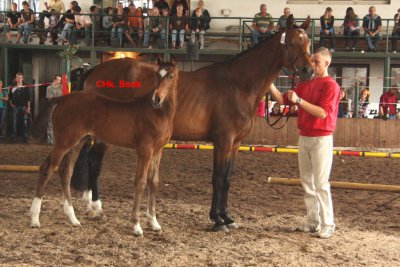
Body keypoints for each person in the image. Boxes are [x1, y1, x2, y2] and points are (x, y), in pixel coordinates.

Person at [269, 47, 340, 239]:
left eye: (316, 61)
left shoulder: (331, 86)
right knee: (307, 182)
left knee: (321, 183)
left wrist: (299, 100)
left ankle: (328, 223)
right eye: (312, 60)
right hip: (305, 136)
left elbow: (322, 113)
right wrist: (269, 83)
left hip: (321, 138)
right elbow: (283, 100)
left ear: (327, 63)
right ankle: (312, 222)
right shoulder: (306, 83)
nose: (313, 64)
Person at [8, 73, 31, 142]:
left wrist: (28, 107)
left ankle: (25, 137)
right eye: (17, 77)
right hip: (15, 107)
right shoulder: (12, 87)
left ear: (22, 78)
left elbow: (28, 98)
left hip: (24, 106)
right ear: (16, 78)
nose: (19, 79)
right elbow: (10, 97)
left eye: (20, 77)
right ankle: (14, 136)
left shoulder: (26, 87)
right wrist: (11, 103)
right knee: (14, 122)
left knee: (24, 122)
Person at [46, 74, 62, 144]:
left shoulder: (62, 87)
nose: (60, 81)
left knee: (60, 123)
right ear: (54, 80)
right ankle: (50, 140)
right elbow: (49, 98)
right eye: (59, 80)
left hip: (60, 107)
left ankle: (59, 139)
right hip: (52, 107)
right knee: (50, 123)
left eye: (60, 80)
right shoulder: (49, 88)